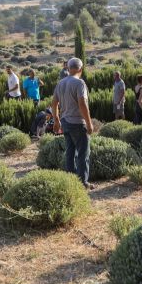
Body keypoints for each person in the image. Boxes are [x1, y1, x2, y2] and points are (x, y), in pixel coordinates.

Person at [52, 58, 95, 190]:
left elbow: (54, 103)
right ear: (81, 69)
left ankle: (71, 181)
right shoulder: (80, 83)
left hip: (65, 122)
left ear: (69, 68)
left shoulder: (61, 83)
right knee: (83, 153)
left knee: (70, 152)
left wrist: (56, 120)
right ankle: (83, 182)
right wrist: (89, 123)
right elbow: (82, 104)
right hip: (77, 122)